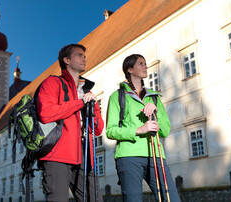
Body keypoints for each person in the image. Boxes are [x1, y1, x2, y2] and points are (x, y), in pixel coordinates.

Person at [106, 54, 181, 202]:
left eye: (145, 63)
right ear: (130, 69)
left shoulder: (154, 97)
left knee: (171, 199)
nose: (145, 66)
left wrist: (155, 114)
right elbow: (110, 131)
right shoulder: (117, 96)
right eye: (141, 64)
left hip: (156, 155)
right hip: (128, 156)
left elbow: (165, 130)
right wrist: (139, 130)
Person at [37, 43, 104, 202]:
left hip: (82, 154)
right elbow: (45, 114)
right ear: (66, 60)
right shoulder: (52, 83)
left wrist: (92, 108)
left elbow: (98, 129)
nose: (84, 58)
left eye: (84, 56)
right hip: (57, 154)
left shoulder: (87, 91)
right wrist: (79, 103)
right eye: (79, 55)